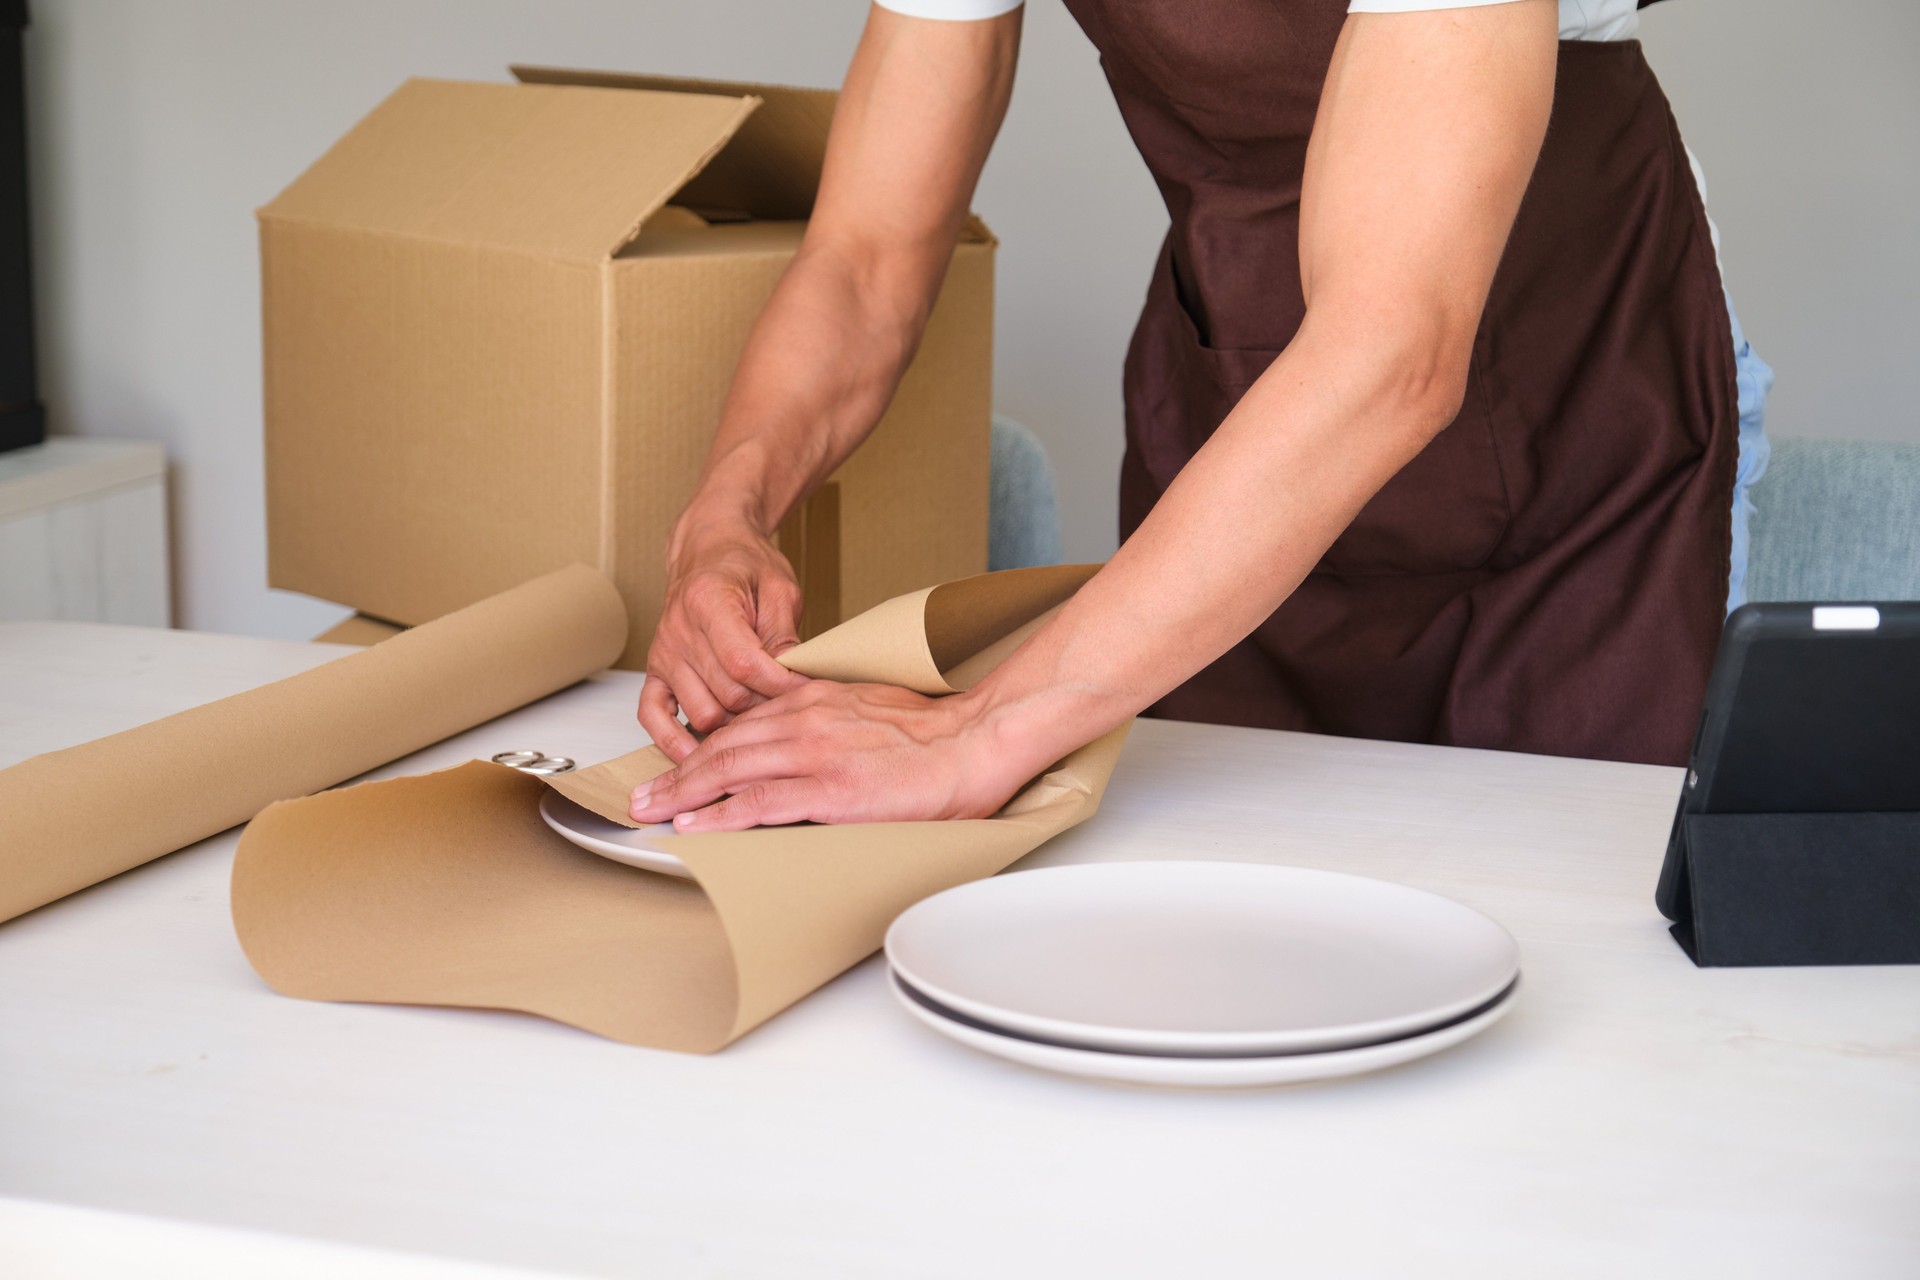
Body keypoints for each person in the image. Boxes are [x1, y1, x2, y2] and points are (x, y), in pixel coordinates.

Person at [629, 0, 1772, 832]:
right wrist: (725, 514)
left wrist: (979, 728)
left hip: (1580, 449)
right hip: (1242, 430)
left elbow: (1394, 353)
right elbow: (868, 258)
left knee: (1564, 949)